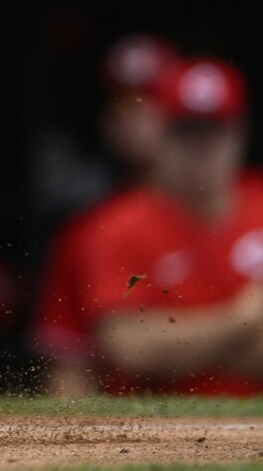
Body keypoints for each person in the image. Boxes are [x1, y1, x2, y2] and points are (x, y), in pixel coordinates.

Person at [35, 57, 263, 394]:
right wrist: (242, 319)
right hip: (158, 422)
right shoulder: (113, 226)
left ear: (239, 134)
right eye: (187, 134)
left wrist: (185, 347)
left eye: (214, 134)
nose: (201, 151)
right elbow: (131, 348)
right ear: (161, 136)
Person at [33, 35, 182, 396]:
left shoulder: (248, 204)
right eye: (122, 101)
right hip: (138, 423)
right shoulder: (86, 231)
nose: (134, 114)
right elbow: (69, 370)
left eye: (152, 99)